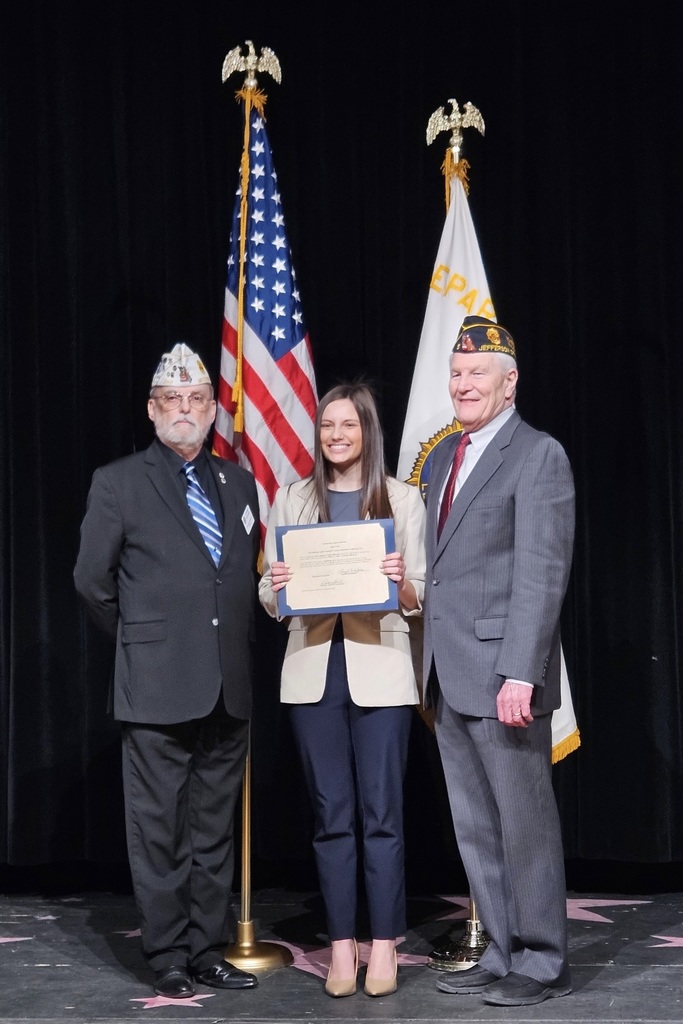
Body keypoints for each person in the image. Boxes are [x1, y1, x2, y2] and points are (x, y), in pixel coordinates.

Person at [73, 343, 260, 999]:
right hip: (154, 688)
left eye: (196, 401)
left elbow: (235, 578)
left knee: (212, 832)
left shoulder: (239, 485)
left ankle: (206, 948)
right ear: (153, 410)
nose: (184, 411)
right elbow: (92, 582)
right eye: (171, 401)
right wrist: (143, 644)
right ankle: (168, 955)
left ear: (213, 410)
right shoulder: (118, 481)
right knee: (160, 833)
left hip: (226, 685)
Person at [422, 316, 575, 1007]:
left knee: (523, 826)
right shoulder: (440, 460)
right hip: (446, 673)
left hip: (502, 676)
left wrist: (522, 670)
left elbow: (541, 573)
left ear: (508, 383)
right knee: (476, 828)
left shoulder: (537, 454)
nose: (462, 383)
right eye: (455, 373)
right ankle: (503, 948)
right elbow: (449, 571)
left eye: (476, 373)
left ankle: (540, 960)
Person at [259, 381, 426, 998]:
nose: (336, 436)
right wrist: (276, 584)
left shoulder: (403, 499)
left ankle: (383, 946)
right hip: (312, 675)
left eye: (348, 426)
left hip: (381, 670)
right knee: (332, 818)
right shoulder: (293, 498)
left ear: (367, 431)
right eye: (328, 425)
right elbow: (269, 598)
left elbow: (421, 595)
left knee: (382, 815)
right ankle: (340, 948)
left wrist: (401, 581)